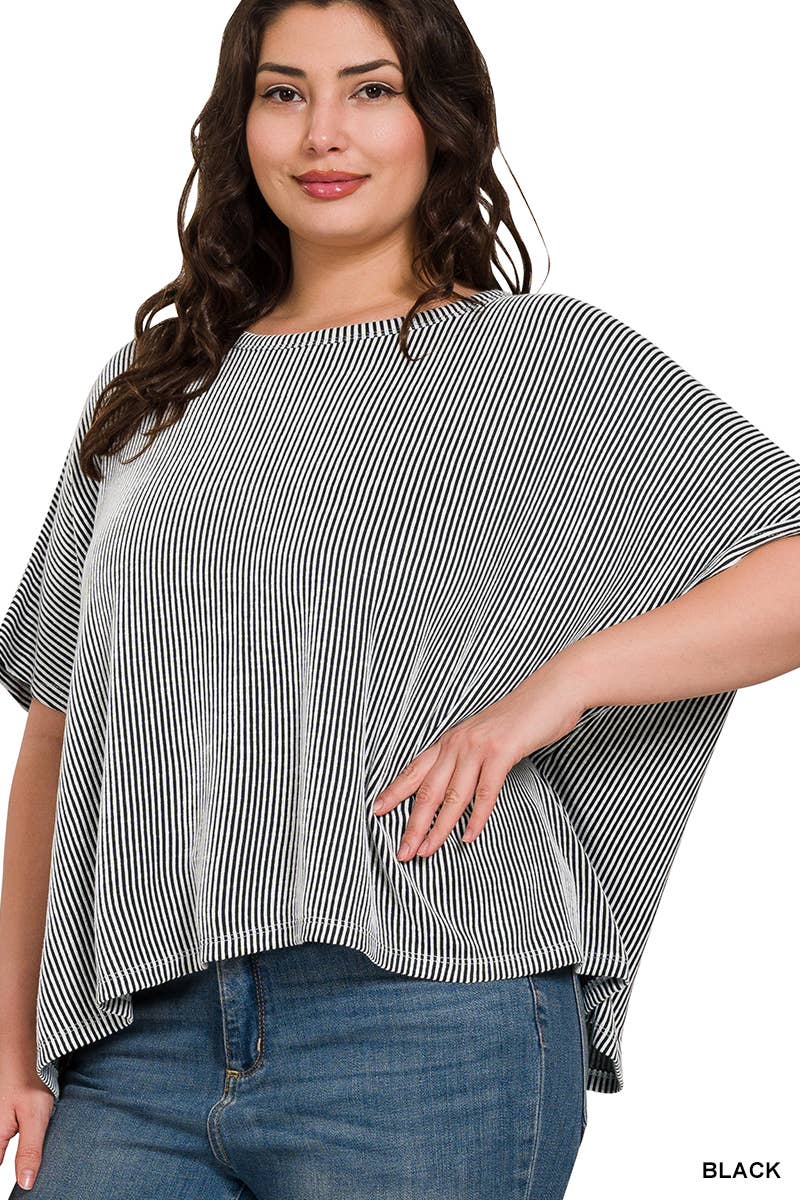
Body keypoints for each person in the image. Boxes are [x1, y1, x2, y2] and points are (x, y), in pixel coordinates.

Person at [1, 1, 799, 1197]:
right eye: (283, 92)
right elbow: (60, 734)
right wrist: (15, 1040)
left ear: (438, 119)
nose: (322, 132)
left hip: (430, 1019)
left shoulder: (541, 357)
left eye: (369, 90)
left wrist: (561, 686)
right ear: (239, 126)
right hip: (136, 1039)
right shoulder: (146, 393)